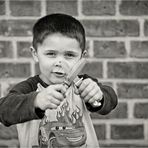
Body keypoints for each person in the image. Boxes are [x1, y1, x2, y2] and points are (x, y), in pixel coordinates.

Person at [0, 13, 117, 148]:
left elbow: (111, 100)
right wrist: (36, 101)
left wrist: (99, 97)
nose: (59, 62)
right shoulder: (30, 88)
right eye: (51, 54)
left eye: (69, 55)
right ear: (35, 54)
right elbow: (4, 111)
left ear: (82, 57)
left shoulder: (83, 84)